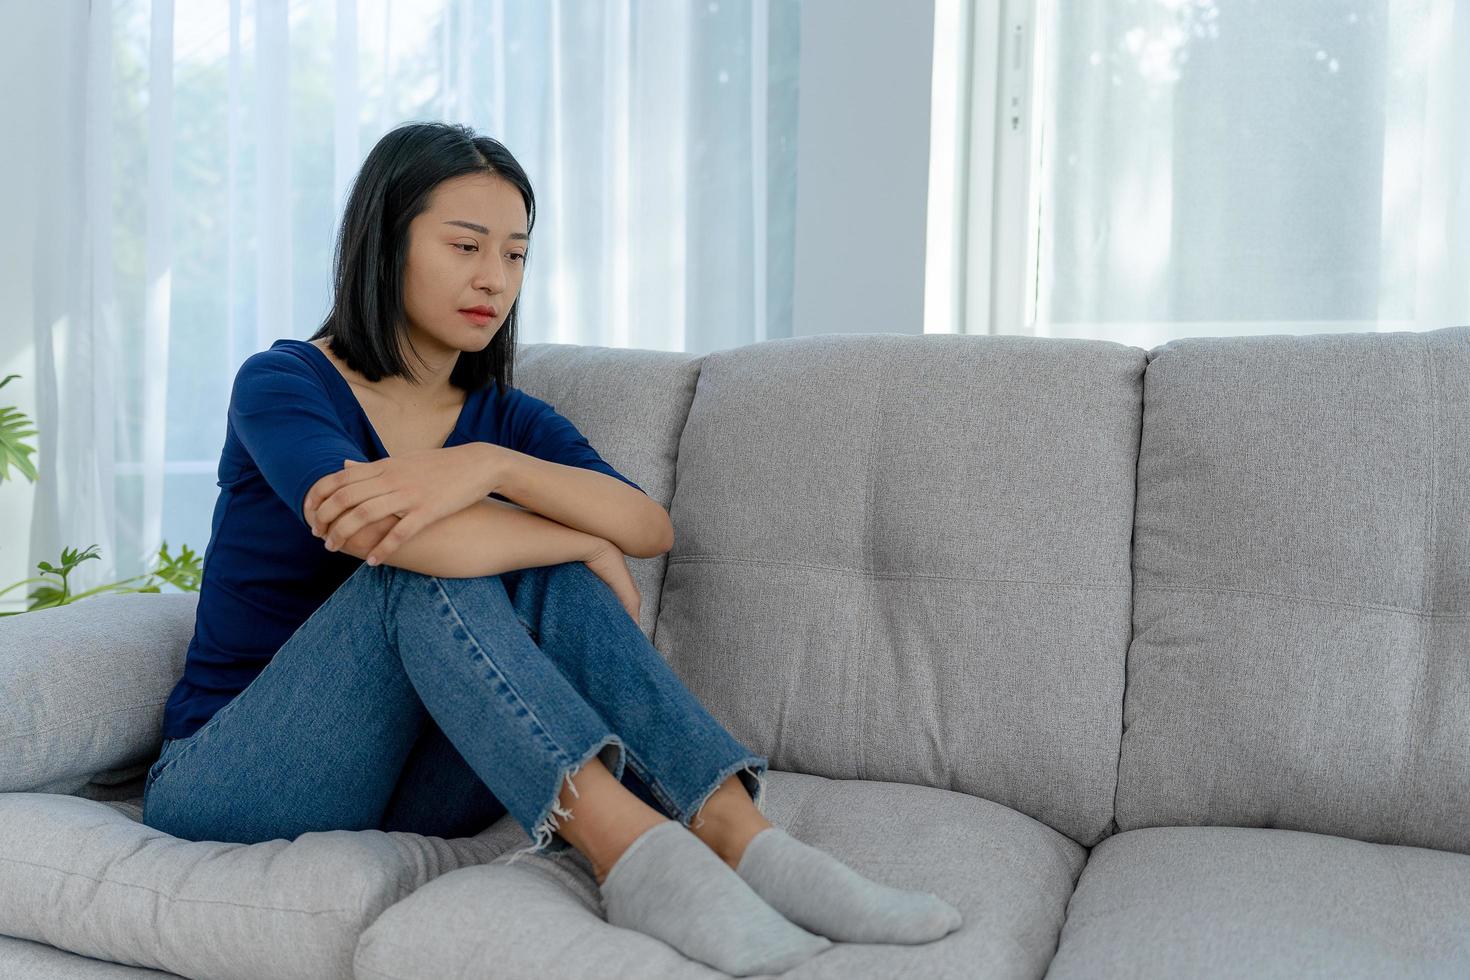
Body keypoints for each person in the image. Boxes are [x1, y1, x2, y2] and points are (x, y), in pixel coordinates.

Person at [141, 121, 961, 975]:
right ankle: (637, 858)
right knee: (419, 576)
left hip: (414, 784)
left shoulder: (501, 417)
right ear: (386, 245)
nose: (493, 280)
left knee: (535, 563)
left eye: (516, 255)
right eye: (464, 246)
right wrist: (568, 538)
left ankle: (749, 842)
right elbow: (385, 539)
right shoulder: (283, 384)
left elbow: (647, 527)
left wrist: (487, 467)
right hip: (237, 775)